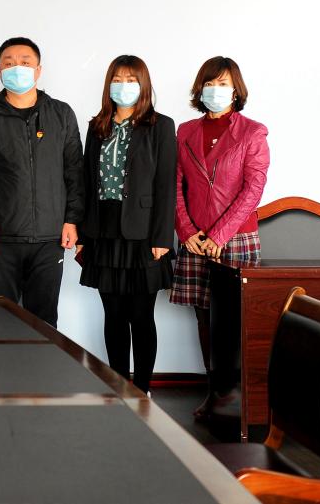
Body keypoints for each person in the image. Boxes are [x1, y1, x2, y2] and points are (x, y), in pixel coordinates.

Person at [170, 56, 269, 418]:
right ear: (200, 90)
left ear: (236, 90)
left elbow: (254, 188)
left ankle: (237, 394)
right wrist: (186, 231)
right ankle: (215, 392)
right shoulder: (185, 131)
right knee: (204, 316)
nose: (215, 90)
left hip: (236, 238)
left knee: (235, 318)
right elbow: (174, 186)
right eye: (209, 84)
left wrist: (221, 234)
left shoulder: (253, 132)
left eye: (223, 84)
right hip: (195, 239)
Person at [0, 37, 84, 328]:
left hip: (49, 238)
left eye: (25, 62)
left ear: (38, 70)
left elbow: (75, 172)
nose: (17, 68)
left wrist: (72, 220)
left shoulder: (61, 114)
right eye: (9, 63)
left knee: (44, 321)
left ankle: (43, 362)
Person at [76, 56, 176, 394]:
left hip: (144, 234)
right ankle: (119, 386)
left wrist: (162, 237)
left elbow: (166, 185)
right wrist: (83, 233)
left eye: (131, 79)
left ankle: (143, 388)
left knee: (141, 316)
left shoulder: (160, 126)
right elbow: (87, 181)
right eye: (117, 79)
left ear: (143, 84)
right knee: (114, 316)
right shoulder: (97, 126)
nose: (124, 85)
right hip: (103, 231)